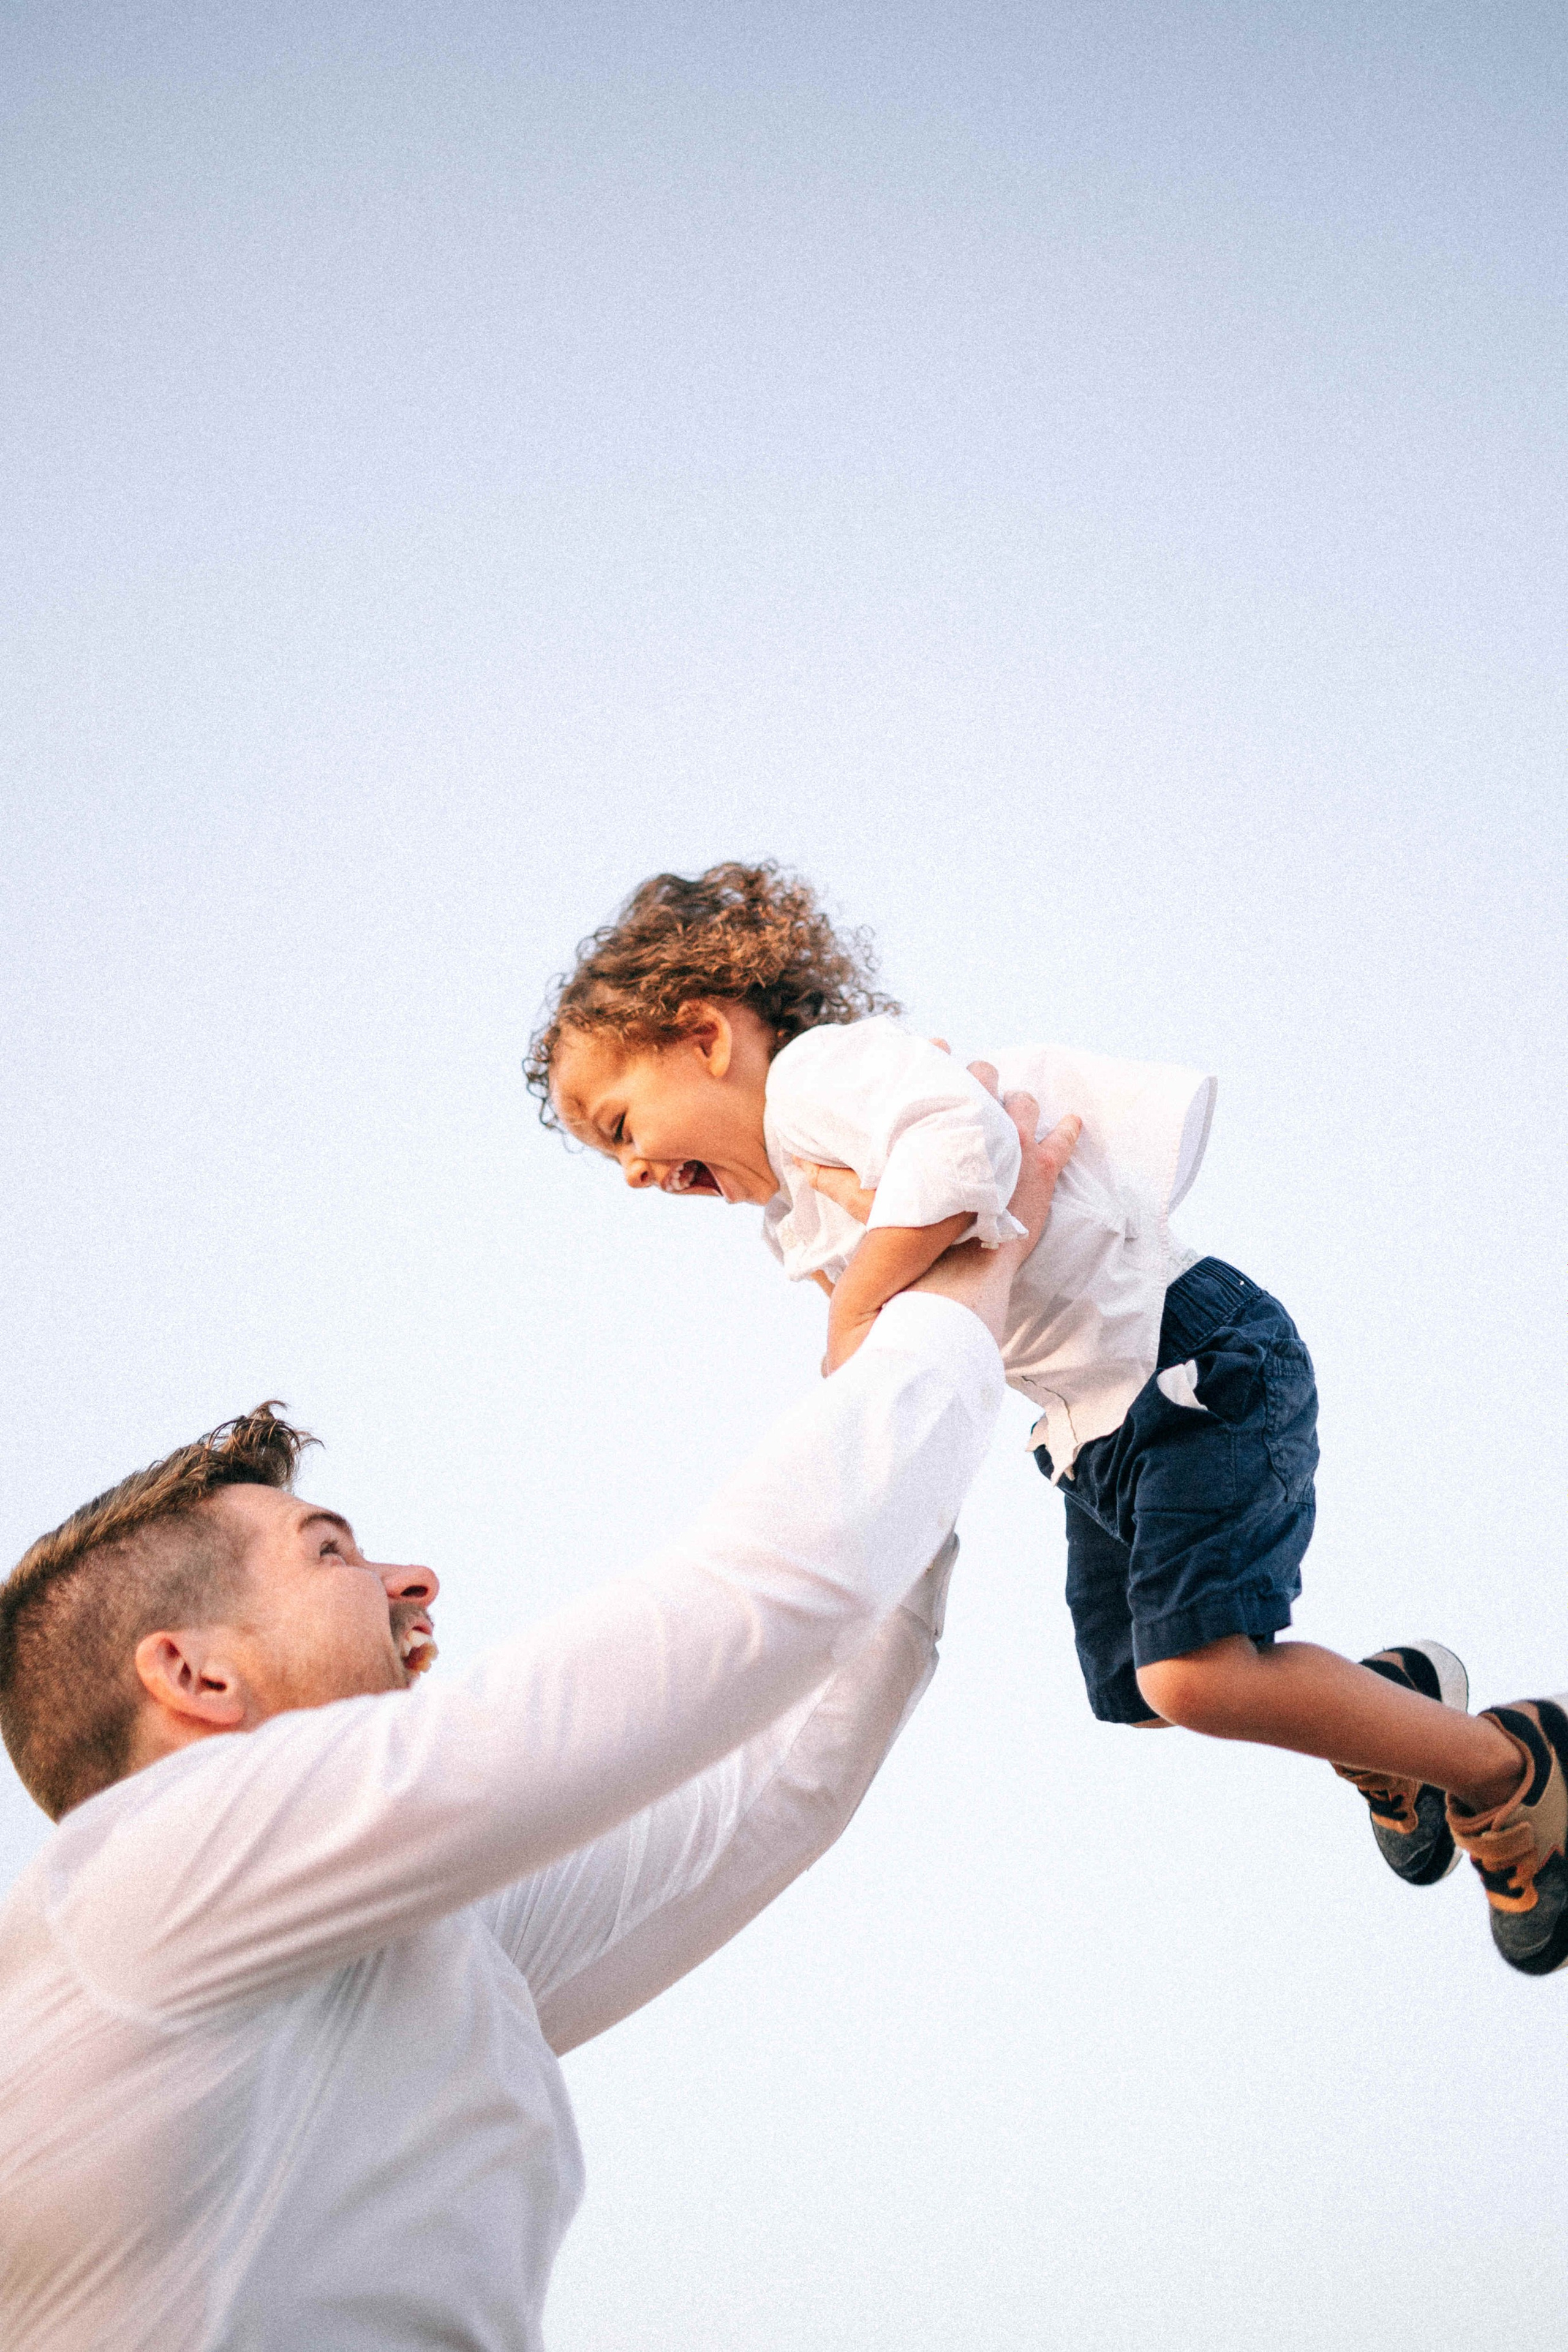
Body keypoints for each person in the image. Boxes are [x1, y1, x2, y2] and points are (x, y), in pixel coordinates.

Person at [0, 1087, 1073, 2352]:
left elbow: (771, 1793)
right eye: (327, 1552)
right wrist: (951, 1306)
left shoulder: (418, 1949)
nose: (411, 1580)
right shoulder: (149, 1869)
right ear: (194, 1678)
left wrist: (914, 1398)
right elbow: (758, 1603)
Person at [530, 859, 1568, 1975]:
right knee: (1137, 1691)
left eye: (622, 1123)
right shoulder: (792, 1214)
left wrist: (871, 1295)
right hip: (1096, 1427)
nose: (633, 1172)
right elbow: (899, 1360)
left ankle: (1508, 1767)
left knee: (1194, 1674)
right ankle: (1391, 1713)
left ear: (704, 1034)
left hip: (1187, 1356)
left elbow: (970, 1146)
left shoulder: (821, 1080)